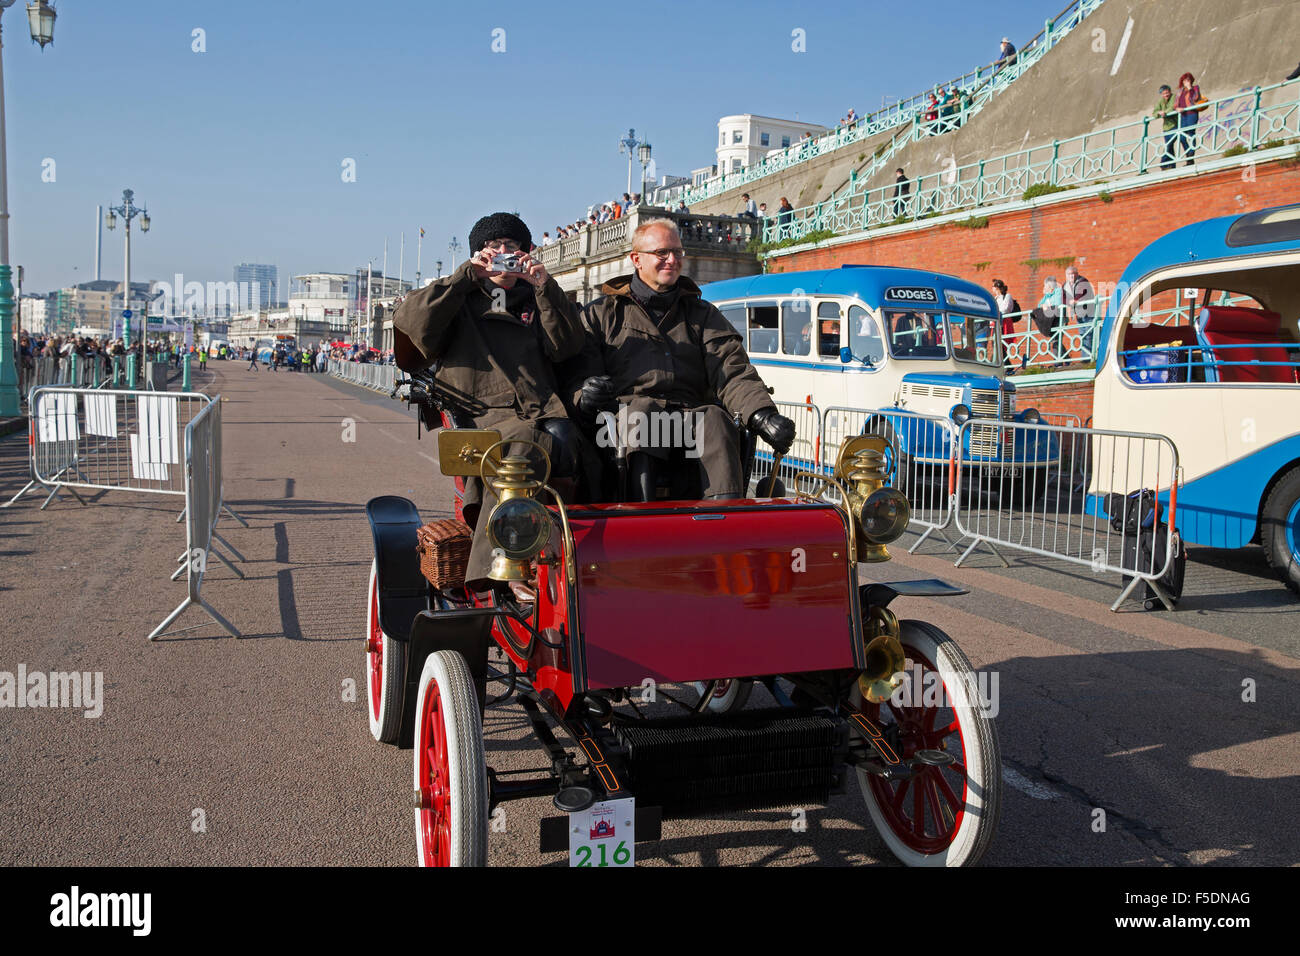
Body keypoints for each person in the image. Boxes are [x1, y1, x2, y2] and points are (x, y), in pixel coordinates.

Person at [393, 211, 594, 590]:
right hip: (480, 413)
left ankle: (587, 551)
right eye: (493, 247)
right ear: (477, 255)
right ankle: (502, 562)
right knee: (522, 448)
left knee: (591, 446)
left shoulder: (537, 298)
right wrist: (465, 278)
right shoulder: (458, 298)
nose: (503, 253)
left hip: (541, 410)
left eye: (513, 247)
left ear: (526, 254)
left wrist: (544, 287)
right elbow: (411, 322)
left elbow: (568, 348)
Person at [565, 218, 795, 502]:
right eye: (662, 253)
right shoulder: (601, 314)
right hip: (627, 420)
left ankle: (725, 525)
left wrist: (761, 413)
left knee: (716, 419)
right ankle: (638, 521)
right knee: (642, 413)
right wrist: (586, 395)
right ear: (636, 259)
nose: (672, 260)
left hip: (689, 416)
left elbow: (731, 369)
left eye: (677, 252)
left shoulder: (702, 314)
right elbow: (578, 373)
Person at [1062, 265, 1097, 357]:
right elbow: (1063, 298)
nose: (1072, 276)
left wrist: (1075, 300)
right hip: (1078, 313)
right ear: (1066, 275)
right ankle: (1086, 358)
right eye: (1069, 274)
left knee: (1088, 334)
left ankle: (1088, 359)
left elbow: (1081, 294)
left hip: (1089, 311)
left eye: (1073, 274)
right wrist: (1069, 303)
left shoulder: (1082, 281)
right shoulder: (1065, 285)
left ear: (1077, 274)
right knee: (1082, 334)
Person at [1175, 72, 1204, 166]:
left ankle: (1190, 157)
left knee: (1191, 133)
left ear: (1191, 80)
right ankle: (1188, 154)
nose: (1186, 82)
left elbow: (1195, 98)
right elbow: (1175, 104)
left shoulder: (1195, 88)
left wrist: (1190, 88)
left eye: (1188, 80)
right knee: (1182, 137)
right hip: (1183, 115)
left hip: (1192, 113)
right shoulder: (1180, 91)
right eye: (1184, 81)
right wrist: (1177, 108)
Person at [1153, 84, 1179, 170]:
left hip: (1175, 125)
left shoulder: (1174, 97)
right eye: (1164, 94)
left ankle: (1163, 163)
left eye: (1167, 93)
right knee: (1170, 146)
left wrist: (1165, 112)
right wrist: (1159, 113)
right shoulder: (1161, 101)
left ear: (1170, 91)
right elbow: (1154, 113)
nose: (1166, 95)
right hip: (1166, 127)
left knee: (1169, 144)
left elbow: (1173, 107)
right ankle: (1171, 165)